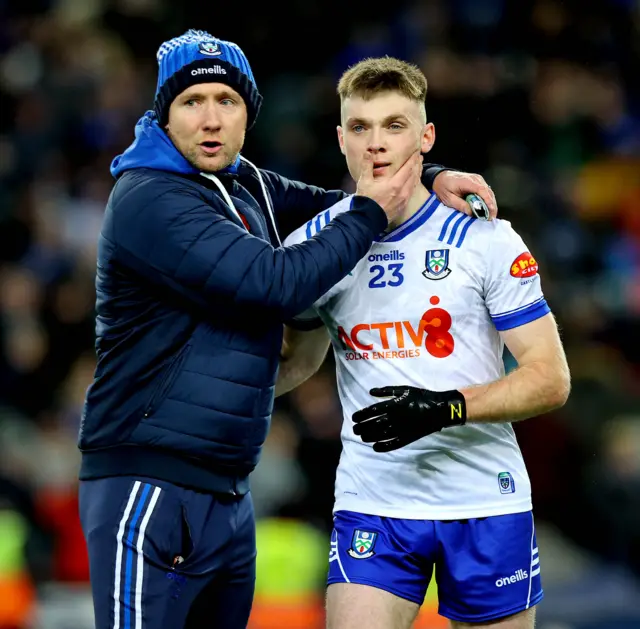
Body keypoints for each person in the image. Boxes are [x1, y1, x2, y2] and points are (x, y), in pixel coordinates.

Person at [76, 30, 495, 629]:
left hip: (226, 490)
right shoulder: (150, 197)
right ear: (164, 116)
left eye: (227, 100)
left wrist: (430, 182)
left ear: (249, 113)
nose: (211, 118)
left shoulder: (247, 186)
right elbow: (276, 281)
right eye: (192, 102)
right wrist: (372, 210)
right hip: (150, 485)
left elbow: (341, 204)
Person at [280, 56, 571, 629]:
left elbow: (550, 379)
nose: (376, 144)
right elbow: (300, 360)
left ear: (425, 136)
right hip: (374, 502)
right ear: (341, 140)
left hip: (485, 500)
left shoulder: (483, 237)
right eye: (360, 128)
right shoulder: (314, 245)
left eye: (394, 125)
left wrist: (447, 408)